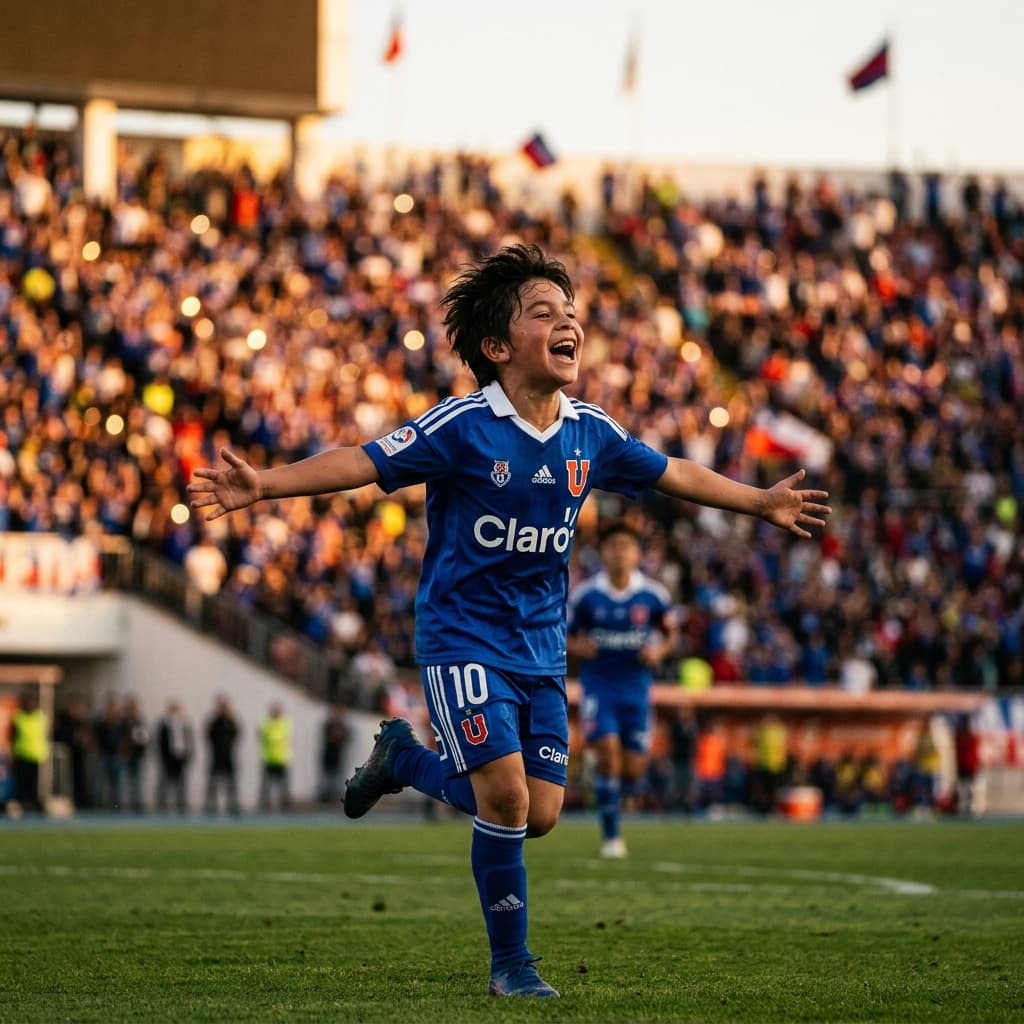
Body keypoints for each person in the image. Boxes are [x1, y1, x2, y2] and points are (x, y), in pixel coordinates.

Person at [188, 244, 831, 998]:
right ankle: (512, 967)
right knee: (506, 797)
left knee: (542, 812)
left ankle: (403, 760)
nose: (569, 323)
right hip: (461, 637)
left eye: (571, 312)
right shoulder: (463, 427)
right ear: (497, 347)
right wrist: (264, 484)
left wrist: (759, 500)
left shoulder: (590, 431)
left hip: (540, 649)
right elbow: (362, 460)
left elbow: (675, 473)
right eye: (544, 312)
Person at [566, 521, 680, 858]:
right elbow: (564, 634)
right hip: (599, 686)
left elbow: (671, 634)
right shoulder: (586, 595)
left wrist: (659, 651)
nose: (620, 553)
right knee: (609, 758)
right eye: (613, 546)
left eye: (626, 547)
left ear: (638, 554)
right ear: (602, 552)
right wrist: (578, 648)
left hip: (637, 688)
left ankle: (600, 784)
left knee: (633, 769)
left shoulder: (654, 595)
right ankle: (612, 838)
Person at [10, 689, 49, 812]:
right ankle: (21, 803)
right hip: (21, 754)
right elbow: (13, 736)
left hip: (36, 755)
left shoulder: (41, 717)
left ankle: (33, 803)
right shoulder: (18, 717)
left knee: (34, 784)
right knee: (21, 783)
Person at [204, 695, 241, 816]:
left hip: (228, 756)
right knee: (213, 783)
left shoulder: (231, 721)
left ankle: (233, 806)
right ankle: (211, 806)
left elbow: (237, 734)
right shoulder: (214, 721)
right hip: (216, 756)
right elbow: (207, 734)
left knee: (231, 784)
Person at [155, 699, 193, 814]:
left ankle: (182, 807)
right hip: (168, 759)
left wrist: (188, 756)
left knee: (182, 784)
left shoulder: (185, 724)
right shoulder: (164, 725)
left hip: (181, 759)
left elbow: (189, 742)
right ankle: (162, 807)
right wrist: (163, 758)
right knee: (164, 784)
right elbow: (160, 743)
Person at [258, 702, 293, 812]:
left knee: (283, 787)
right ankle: (265, 807)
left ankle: (285, 807)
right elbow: (261, 736)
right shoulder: (266, 723)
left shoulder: (285, 723)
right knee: (266, 787)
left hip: (281, 759)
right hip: (268, 759)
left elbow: (282, 737)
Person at [318, 704, 351, 805]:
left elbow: (347, 737)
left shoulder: (342, 726)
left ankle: (334, 797)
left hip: (338, 754)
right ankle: (326, 797)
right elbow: (327, 736)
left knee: (337, 777)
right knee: (327, 777)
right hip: (329, 753)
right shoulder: (329, 724)